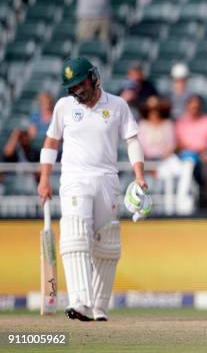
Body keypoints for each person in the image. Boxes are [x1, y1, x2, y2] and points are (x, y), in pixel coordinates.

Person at [37, 56, 150, 322]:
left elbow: (132, 141)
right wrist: (44, 179)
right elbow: (51, 143)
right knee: (75, 234)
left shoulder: (118, 105)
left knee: (107, 244)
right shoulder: (64, 107)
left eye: (81, 83)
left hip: (107, 180)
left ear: (93, 77)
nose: (78, 90)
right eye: (73, 87)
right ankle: (80, 301)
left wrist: (139, 175)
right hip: (75, 179)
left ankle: (99, 306)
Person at [175, 94, 207, 205]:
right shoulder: (181, 122)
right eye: (192, 107)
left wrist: (202, 150)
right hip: (186, 155)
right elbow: (178, 143)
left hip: (205, 153)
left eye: (197, 107)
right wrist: (192, 151)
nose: (194, 110)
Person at [138, 95, 176, 160]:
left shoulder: (168, 124)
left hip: (164, 160)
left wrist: (165, 156)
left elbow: (171, 144)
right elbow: (140, 145)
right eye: (151, 109)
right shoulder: (143, 124)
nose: (154, 112)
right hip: (146, 160)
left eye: (157, 109)